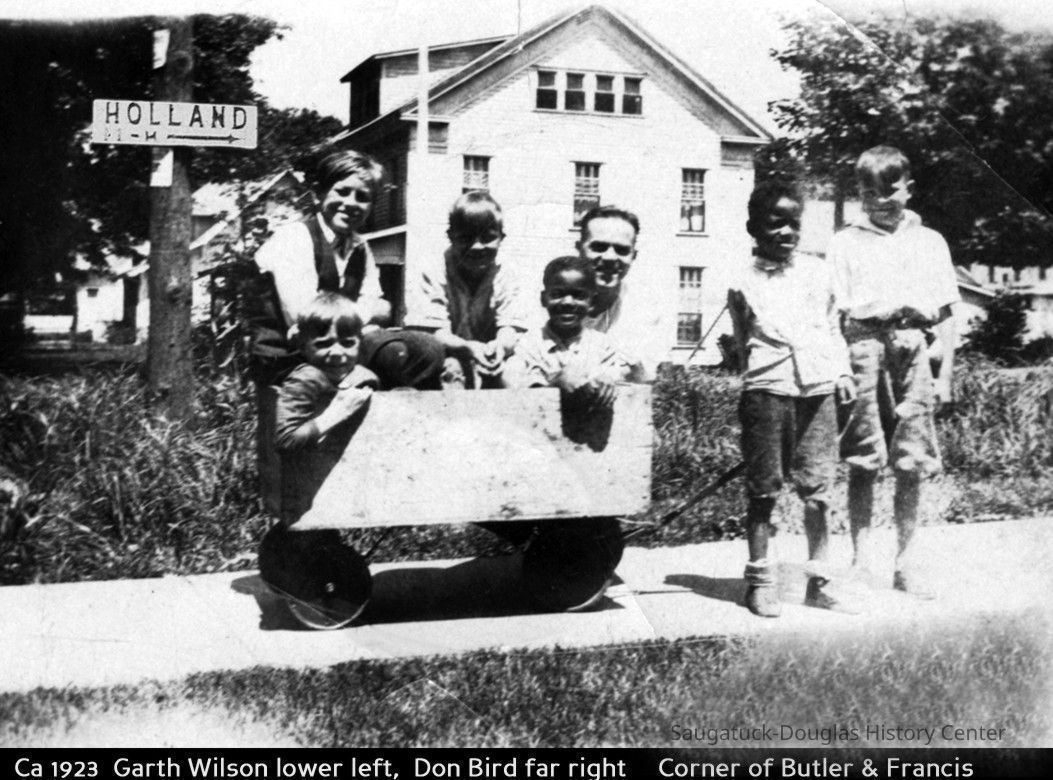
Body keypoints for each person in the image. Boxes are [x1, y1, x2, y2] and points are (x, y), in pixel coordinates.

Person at [827, 145, 959, 598]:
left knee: (912, 460)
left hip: (913, 349)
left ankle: (906, 562)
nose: (880, 200)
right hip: (863, 347)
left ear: (909, 188)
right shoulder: (845, 241)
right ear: (858, 194)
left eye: (890, 190)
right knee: (864, 457)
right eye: (869, 192)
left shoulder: (929, 241)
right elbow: (835, 313)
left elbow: (945, 316)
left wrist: (944, 376)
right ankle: (861, 560)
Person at [728, 180, 857, 618]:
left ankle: (819, 582)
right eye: (774, 223)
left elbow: (832, 327)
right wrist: (755, 379)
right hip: (768, 389)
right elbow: (744, 340)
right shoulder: (742, 279)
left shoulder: (818, 273)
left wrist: (841, 372)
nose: (786, 232)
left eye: (793, 224)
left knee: (818, 491)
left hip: (818, 389)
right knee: (763, 491)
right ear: (753, 228)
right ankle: (760, 583)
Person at [250, 149, 443, 390]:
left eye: (362, 197)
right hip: (291, 355)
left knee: (430, 348)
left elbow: (382, 306)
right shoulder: (294, 237)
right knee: (399, 354)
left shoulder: (359, 246)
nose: (350, 203)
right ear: (320, 194)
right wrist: (367, 312)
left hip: (340, 347)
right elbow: (308, 318)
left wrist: (370, 312)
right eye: (341, 192)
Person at [405, 191, 528, 388]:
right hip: (449, 353)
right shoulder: (433, 269)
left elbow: (511, 327)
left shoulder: (509, 272)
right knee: (449, 369)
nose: (477, 247)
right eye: (466, 238)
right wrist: (467, 348)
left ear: (501, 238)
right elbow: (433, 333)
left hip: (491, 354)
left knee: (516, 371)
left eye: (488, 238)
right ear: (450, 237)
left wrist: (500, 347)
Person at [505, 255, 635, 402]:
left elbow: (617, 375)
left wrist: (606, 380)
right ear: (543, 299)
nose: (567, 302)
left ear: (592, 301)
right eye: (557, 294)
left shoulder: (603, 345)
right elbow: (511, 383)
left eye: (579, 296)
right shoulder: (529, 344)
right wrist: (553, 386)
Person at [577, 205, 667, 382]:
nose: (610, 258)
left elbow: (645, 376)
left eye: (622, 250)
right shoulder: (551, 301)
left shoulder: (645, 311)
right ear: (579, 249)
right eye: (599, 247)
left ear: (634, 256)